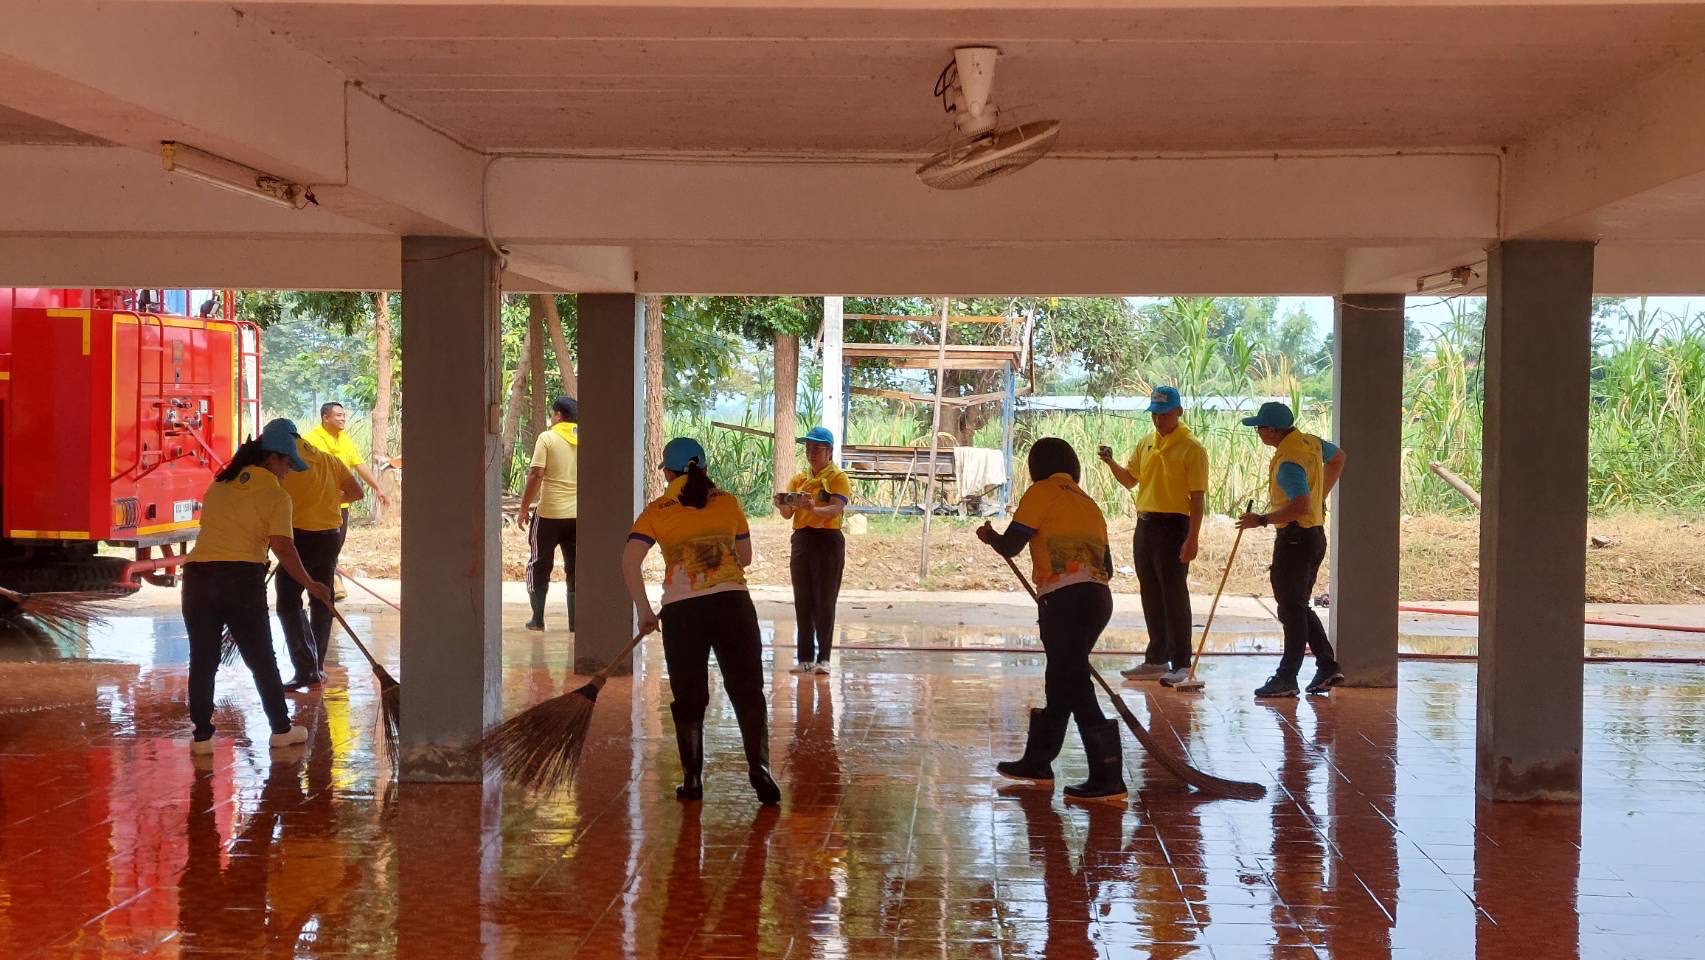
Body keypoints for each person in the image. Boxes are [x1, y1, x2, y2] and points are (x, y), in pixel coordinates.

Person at [622, 437, 781, 806]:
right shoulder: (728, 502)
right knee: (748, 690)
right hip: (734, 605)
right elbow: (745, 556)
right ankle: (760, 767)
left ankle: (692, 781)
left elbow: (629, 562)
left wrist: (644, 611)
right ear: (705, 468)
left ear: (668, 473)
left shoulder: (657, 510)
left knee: (689, 696)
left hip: (683, 612)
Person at [976, 438, 1126, 804]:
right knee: (1061, 678)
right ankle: (1037, 763)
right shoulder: (1087, 502)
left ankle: (1109, 778)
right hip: (1097, 600)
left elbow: (1012, 545)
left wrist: (989, 536)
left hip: (1063, 602)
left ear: (1037, 466)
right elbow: (1107, 567)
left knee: (1073, 682)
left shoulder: (1041, 492)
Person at [182, 418, 331, 753]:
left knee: (202, 659)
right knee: (261, 658)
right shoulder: (276, 495)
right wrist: (310, 583)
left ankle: (201, 737)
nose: (288, 472)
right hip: (241, 581)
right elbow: (283, 547)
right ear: (273, 457)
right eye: (288, 463)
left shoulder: (219, 485)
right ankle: (280, 729)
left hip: (197, 579)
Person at [1236, 401, 1348, 698]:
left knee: (1291, 609)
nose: (1258, 432)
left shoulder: (1288, 463)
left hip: (1296, 541)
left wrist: (1261, 520)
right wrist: (1319, 495)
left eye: (1260, 427)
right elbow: (1339, 457)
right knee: (1297, 606)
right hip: (1313, 537)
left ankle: (1287, 677)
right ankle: (1327, 666)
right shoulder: (1309, 442)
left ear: (1273, 430)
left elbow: (1299, 506)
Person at [1098, 385, 1208, 686]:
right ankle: (1157, 659)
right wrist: (1111, 462)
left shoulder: (1192, 448)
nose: (1158, 420)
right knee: (1150, 593)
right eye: (1155, 414)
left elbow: (1198, 498)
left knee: (1174, 594)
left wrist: (1193, 538)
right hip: (1145, 525)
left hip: (1174, 526)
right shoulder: (1146, 443)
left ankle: (1182, 663)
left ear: (1178, 412)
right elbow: (1130, 481)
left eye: (1164, 414)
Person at [276, 421, 363, 688]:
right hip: (329, 538)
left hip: (298, 537)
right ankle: (317, 666)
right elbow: (356, 492)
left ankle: (306, 668)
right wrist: (328, 499)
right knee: (322, 598)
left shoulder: (283, 461)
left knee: (288, 601)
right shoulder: (328, 459)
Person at [775, 425, 850, 675]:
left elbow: (835, 508)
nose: (811, 453)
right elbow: (788, 515)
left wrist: (813, 509)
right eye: (808, 448)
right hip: (802, 540)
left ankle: (824, 658)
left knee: (825, 600)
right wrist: (782, 505)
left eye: (817, 448)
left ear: (829, 451)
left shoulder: (838, 478)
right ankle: (804, 658)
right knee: (803, 599)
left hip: (828, 540)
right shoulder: (799, 480)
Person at [302, 401, 389, 599]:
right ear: (325, 418)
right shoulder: (310, 440)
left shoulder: (346, 441)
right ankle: (330, 583)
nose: (343, 419)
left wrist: (377, 487)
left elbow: (360, 465)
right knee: (324, 548)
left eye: (343, 415)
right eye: (338, 415)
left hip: (341, 505)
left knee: (335, 546)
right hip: (318, 507)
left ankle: (329, 582)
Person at [517, 396, 579, 632]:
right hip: (577, 516)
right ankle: (575, 623)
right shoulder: (586, 438)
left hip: (549, 514)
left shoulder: (547, 438)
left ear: (558, 415)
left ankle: (537, 619)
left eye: (553, 414)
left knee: (539, 564)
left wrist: (524, 508)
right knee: (576, 568)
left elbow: (536, 474)